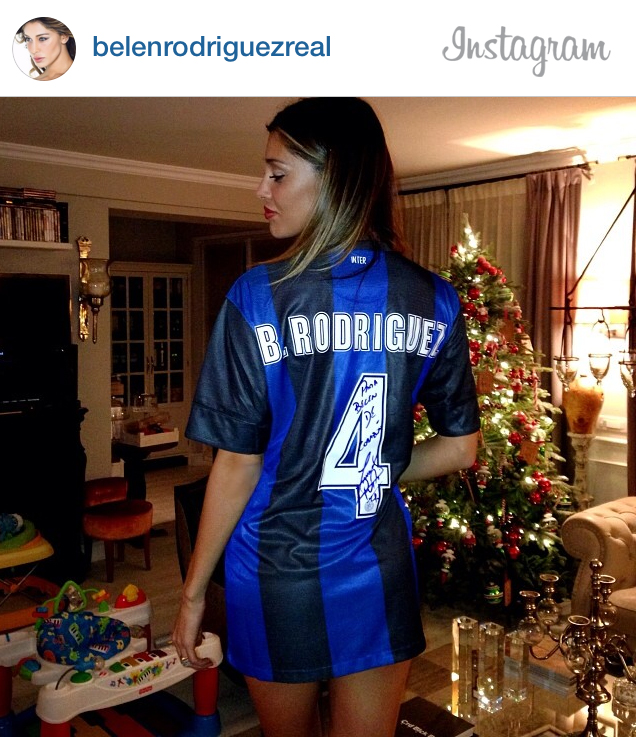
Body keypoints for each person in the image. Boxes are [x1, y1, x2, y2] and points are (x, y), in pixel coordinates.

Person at [172, 97, 480, 737]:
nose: (261, 189)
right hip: (377, 569)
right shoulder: (435, 299)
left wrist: (194, 592)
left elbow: (238, 463)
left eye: (277, 173)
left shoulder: (257, 296)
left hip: (274, 572)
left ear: (334, 175)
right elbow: (460, 449)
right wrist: (373, 469)